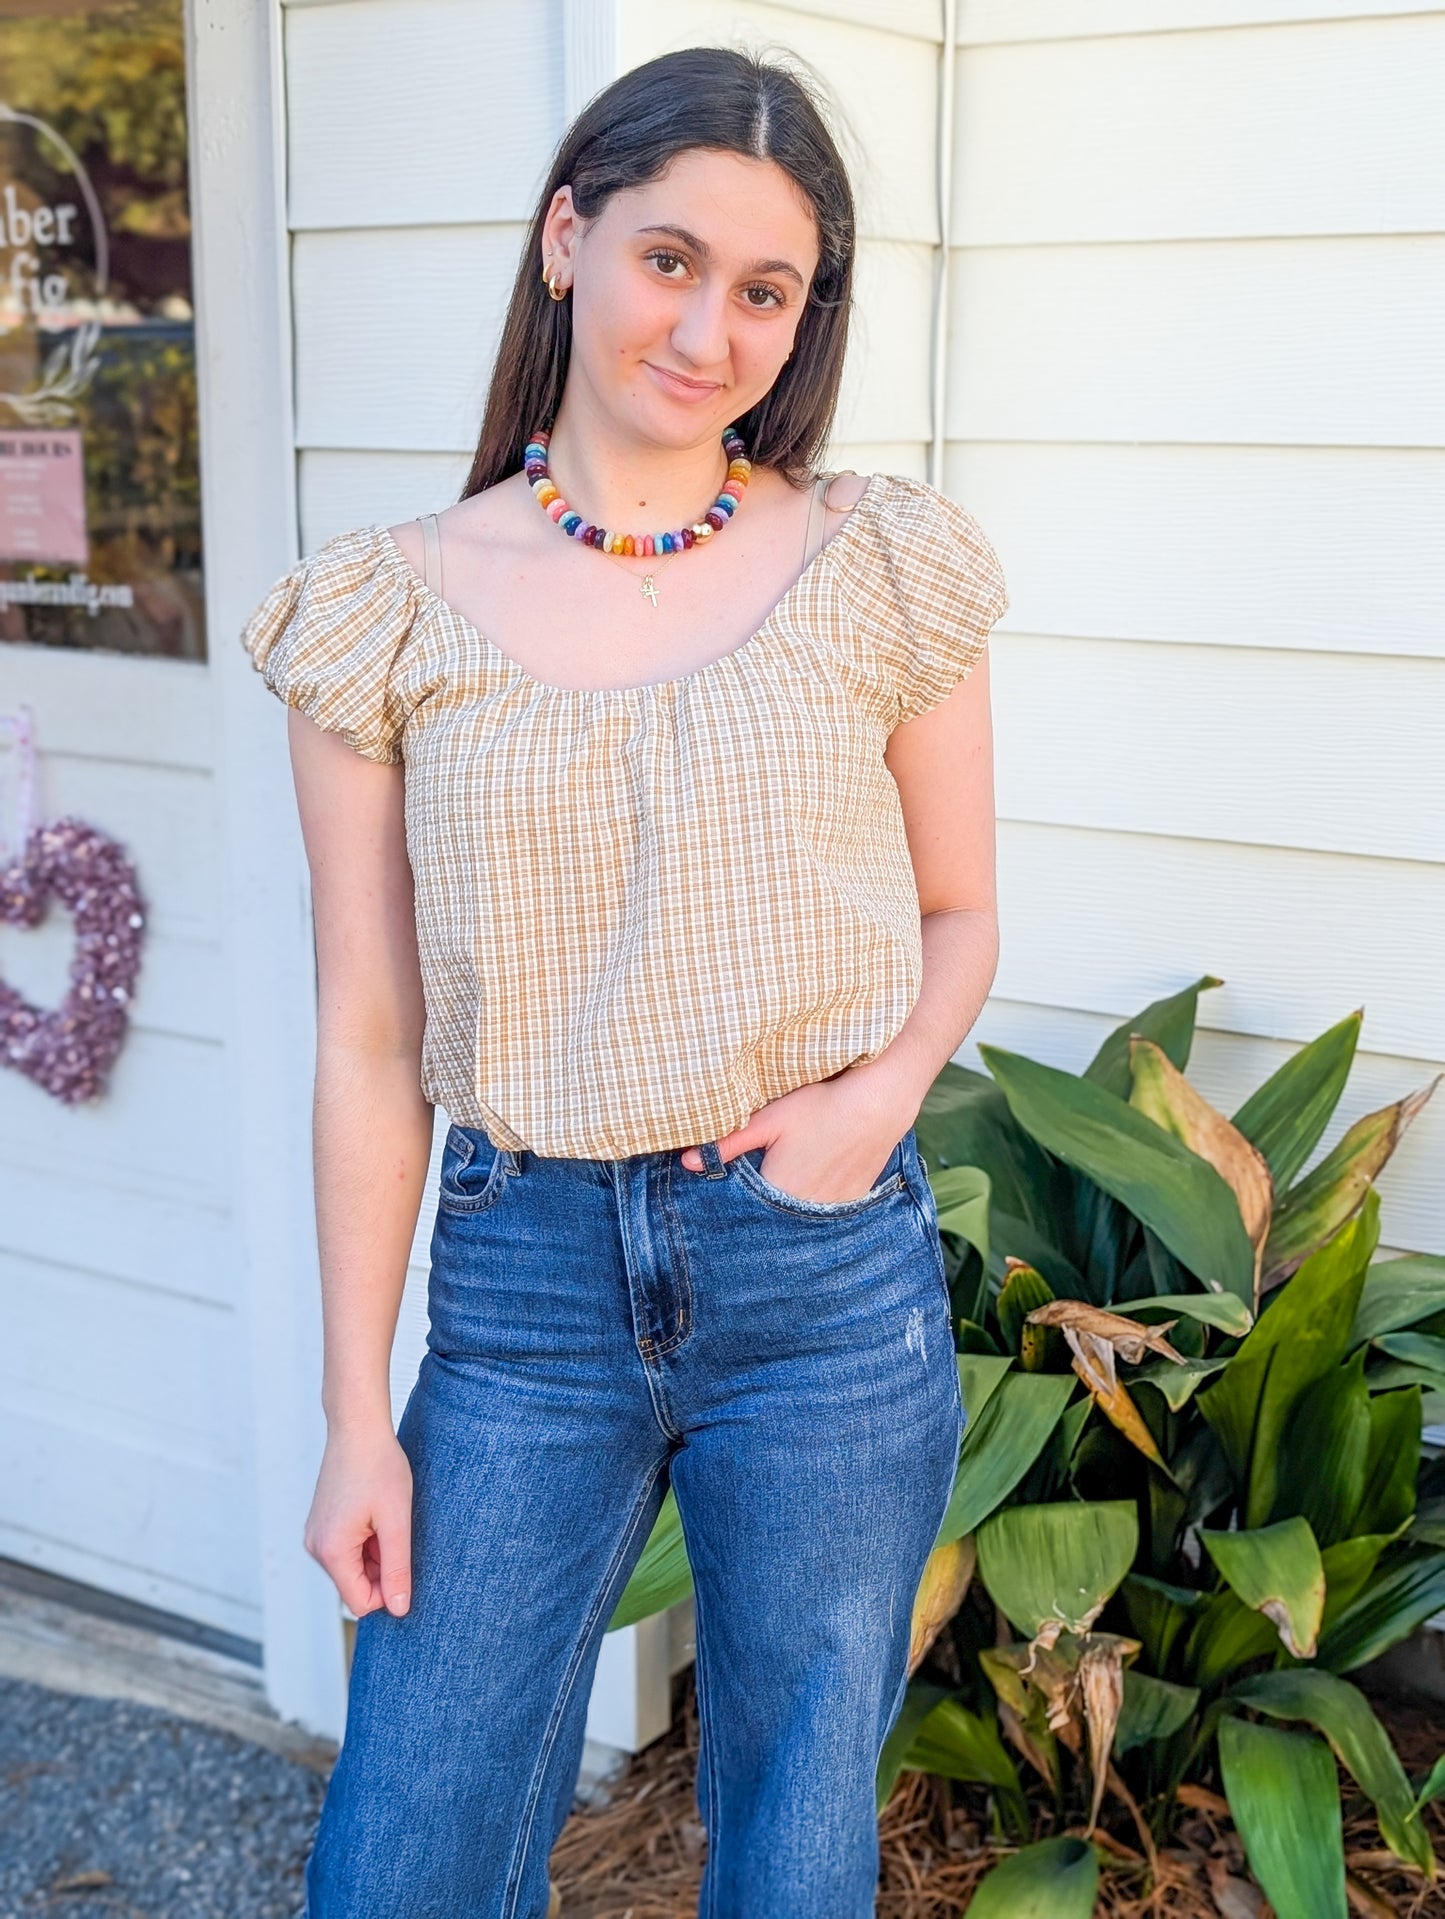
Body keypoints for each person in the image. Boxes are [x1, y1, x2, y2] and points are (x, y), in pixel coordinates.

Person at [240, 43, 1008, 1919]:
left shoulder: (876, 564)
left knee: (797, 1837)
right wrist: (356, 1416)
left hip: (820, 1279)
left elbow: (960, 914)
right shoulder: (381, 612)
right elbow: (369, 1037)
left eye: (765, 291)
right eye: (671, 260)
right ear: (566, 239)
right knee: (410, 1848)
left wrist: (877, 1099)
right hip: (523, 1294)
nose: (707, 331)